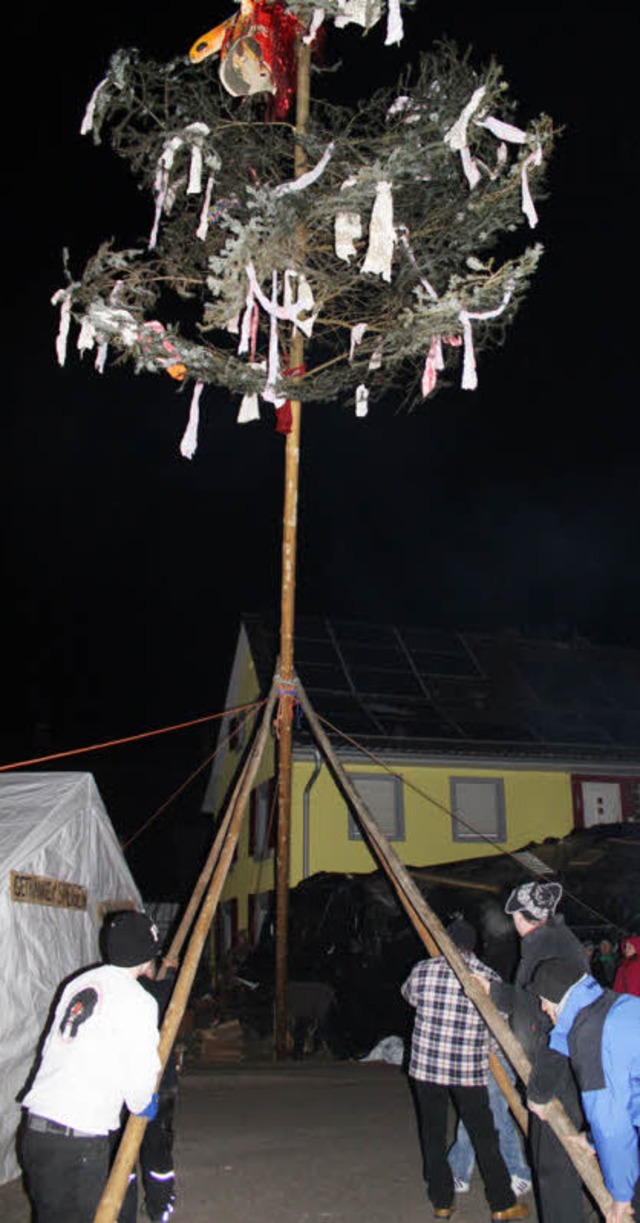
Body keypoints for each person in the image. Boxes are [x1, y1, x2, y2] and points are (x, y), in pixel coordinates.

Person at [19, 910, 162, 1223]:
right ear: (146, 954)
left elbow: (50, 1047)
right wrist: (143, 1102)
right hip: (79, 1142)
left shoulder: (79, 983)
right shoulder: (138, 1001)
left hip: (37, 1133)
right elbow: (140, 1073)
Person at [473, 879, 590, 1223]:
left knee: (556, 1170)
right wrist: (493, 991)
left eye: (514, 918)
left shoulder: (551, 950)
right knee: (551, 1163)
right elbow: (529, 1002)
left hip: (558, 1075)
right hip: (549, 1070)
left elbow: (563, 1024)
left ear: (523, 917)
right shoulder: (545, 943)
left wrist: (540, 1090)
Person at [401, 916, 528, 1221]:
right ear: (473, 947)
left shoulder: (424, 969)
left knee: (431, 1134)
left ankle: (442, 1201)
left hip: (426, 1067)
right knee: (484, 1135)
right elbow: (499, 1025)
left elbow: (409, 996)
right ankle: (501, 1203)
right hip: (467, 1071)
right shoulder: (486, 976)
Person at [527, 956, 640, 1223]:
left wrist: (621, 1197)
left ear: (558, 998)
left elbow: (611, 1123)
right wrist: (591, 1141)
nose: (543, 1008)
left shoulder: (591, 1036)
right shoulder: (609, 1003)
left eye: (543, 999)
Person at [119, 954, 180, 1223]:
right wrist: (170, 972)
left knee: (122, 1155)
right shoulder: (164, 993)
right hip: (158, 1086)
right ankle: (160, 1206)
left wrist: (166, 971)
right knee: (157, 1151)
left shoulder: (119, 991)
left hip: (122, 1087)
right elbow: (163, 988)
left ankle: (123, 1212)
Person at [448, 1044, 532, 1198]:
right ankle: (458, 1170)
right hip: (473, 1051)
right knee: (474, 1108)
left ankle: (516, 1170)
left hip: (501, 1053)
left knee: (493, 1109)